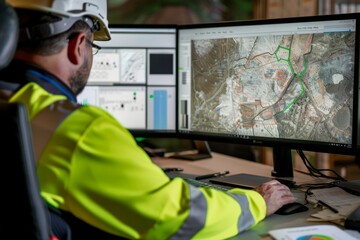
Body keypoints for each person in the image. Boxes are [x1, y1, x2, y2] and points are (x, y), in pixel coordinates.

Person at [1, 0, 296, 239]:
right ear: (79, 45)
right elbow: (180, 218)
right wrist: (258, 202)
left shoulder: (11, 103)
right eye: (93, 46)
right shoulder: (79, 129)